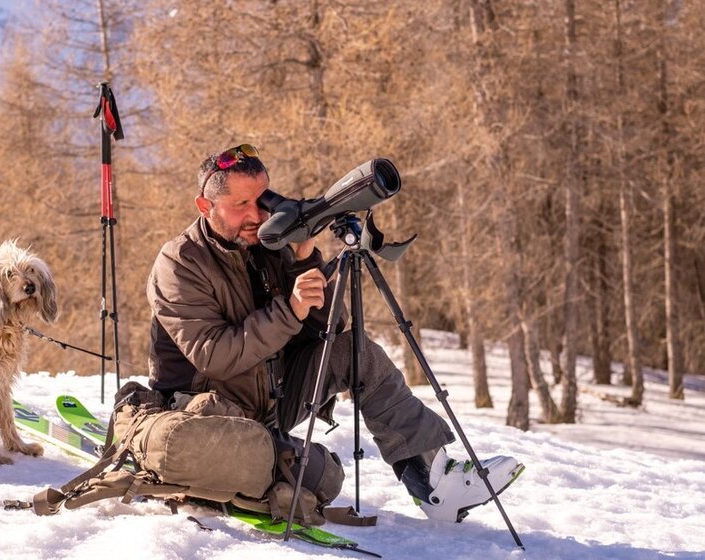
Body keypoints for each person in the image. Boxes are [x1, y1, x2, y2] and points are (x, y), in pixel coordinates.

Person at [146, 143, 523, 523]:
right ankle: (227, 469)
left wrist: (304, 260)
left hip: (270, 403)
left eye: (262, 200)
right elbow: (214, 356)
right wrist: (289, 309)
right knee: (323, 476)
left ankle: (435, 483)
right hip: (207, 416)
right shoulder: (180, 262)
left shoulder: (268, 247)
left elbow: (327, 330)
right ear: (205, 206)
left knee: (355, 352)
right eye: (241, 204)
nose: (257, 215)